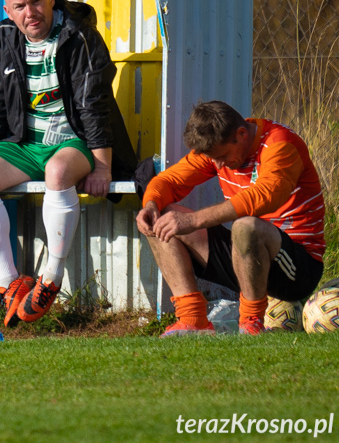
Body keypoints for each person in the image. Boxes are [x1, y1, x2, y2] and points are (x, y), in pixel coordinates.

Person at [0, 0, 136, 327]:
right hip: (26, 142)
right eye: (20, 6)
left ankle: (50, 279)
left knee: (56, 172)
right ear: (8, 10)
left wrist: (102, 167)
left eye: (37, 1)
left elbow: (94, 104)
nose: (30, 12)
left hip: (74, 140)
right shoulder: (4, 39)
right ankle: (9, 285)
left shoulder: (80, 36)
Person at [136, 101, 325, 336]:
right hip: (247, 262)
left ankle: (251, 323)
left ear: (241, 134)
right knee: (161, 218)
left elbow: (265, 197)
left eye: (223, 156)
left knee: (246, 226)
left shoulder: (280, 144)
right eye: (213, 158)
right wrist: (151, 204)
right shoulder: (218, 149)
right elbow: (168, 181)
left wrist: (194, 221)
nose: (218, 164)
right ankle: (192, 319)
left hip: (298, 268)